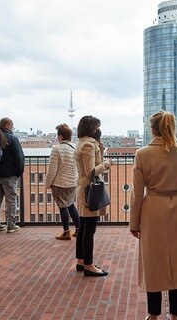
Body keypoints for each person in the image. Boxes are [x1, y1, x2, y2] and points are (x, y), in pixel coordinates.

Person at [130, 111, 177, 320]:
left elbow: (137, 193)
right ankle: (176, 314)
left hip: (153, 210)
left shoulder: (142, 154)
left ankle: (153, 313)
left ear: (152, 129)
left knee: (154, 261)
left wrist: (134, 222)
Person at [74, 115, 112, 277]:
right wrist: (106, 164)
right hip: (90, 189)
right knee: (89, 229)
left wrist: (100, 151)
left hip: (83, 188)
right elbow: (91, 172)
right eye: (96, 127)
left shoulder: (82, 143)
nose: (98, 130)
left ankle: (81, 261)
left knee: (83, 227)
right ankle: (89, 265)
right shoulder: (89, 146)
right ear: (91, 128)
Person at [45, 123, 80, 240]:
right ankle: (79, 228)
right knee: (70, 205)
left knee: (63, 206)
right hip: (72, 182)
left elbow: (52, 170)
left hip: (60, 183)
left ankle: (66, 232)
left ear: (60, 137)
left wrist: (48, 184)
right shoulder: (75, 148)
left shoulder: (57, 149)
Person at [0, 117, 25, 233]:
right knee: (11, 199)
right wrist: (18, 173)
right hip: (10, 174)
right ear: (7, 125)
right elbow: (19, 157)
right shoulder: (13, 139)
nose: (12, 127)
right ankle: (11, 224)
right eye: (12, 125)